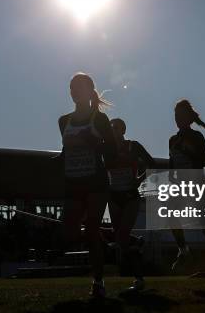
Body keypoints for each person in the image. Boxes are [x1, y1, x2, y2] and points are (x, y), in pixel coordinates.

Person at [59, 72, 116, 298]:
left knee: (91, 229)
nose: (74, 91)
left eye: (78, 87)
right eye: (71, 87)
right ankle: (107, 242)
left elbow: (111, 150)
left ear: (89, 90)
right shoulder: (64, 120)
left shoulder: (99, 119)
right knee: (70, 231)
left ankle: (98, 281)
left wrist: (96, 143)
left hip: (95, 181)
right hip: (73, 182)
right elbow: (66, 149)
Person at [168, 99, 205, 287]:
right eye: (175, 116)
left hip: (198, 185)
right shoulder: (172, 139)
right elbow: (172, 165)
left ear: (188, 118)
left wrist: (190, 152)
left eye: (181, 116)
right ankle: (183, 251)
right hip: (181, 187)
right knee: (170, 214)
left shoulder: (196, 137)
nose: (177, 119)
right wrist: (172, 176)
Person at [106, 118, 155, 292]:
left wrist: (139, 180)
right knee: (121, 239)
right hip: (113, 197)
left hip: (130, 196)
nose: (113, 130)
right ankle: (137, 244)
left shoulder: (133, 146)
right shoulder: (106, 149)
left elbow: (152, 163)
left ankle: (139, 277)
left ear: (123, 130)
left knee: (122, 236)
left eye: (116, 127)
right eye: (110, 127)